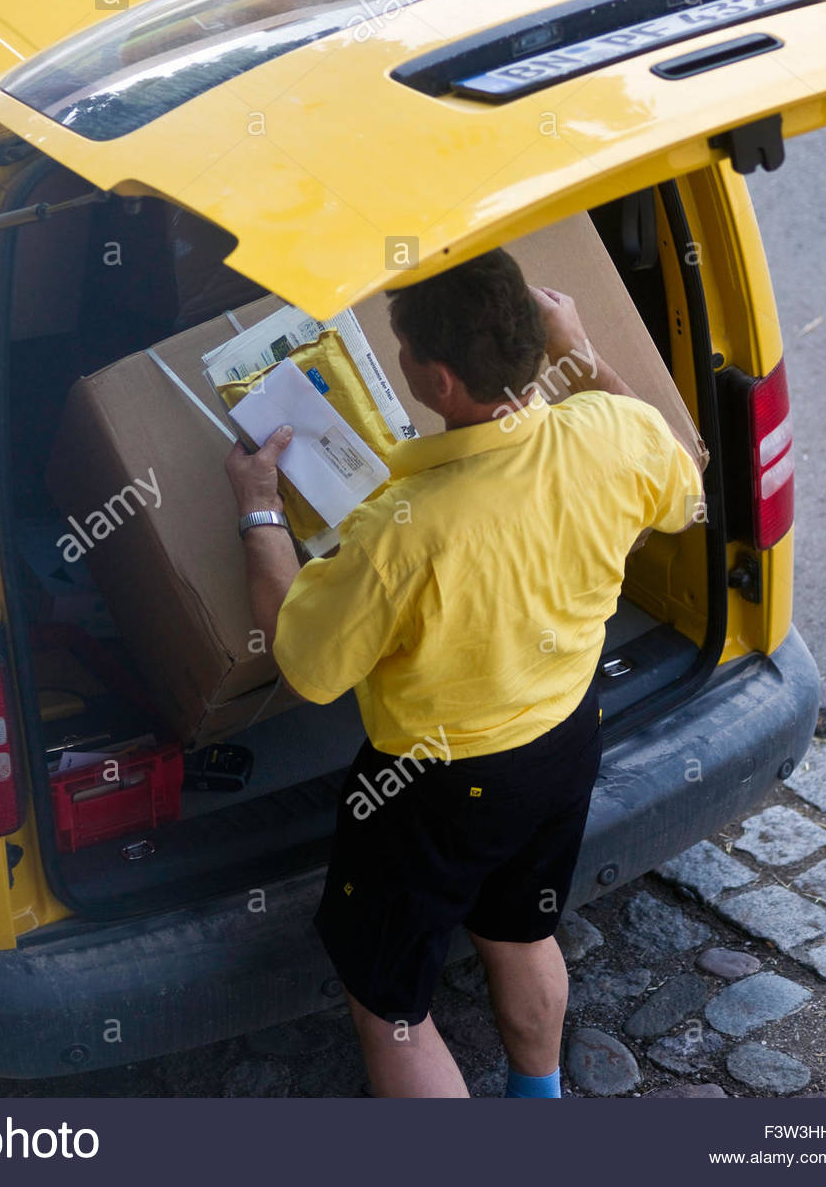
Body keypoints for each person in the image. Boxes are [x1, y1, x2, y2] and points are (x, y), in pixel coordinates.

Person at [223, 248, 704, 1099]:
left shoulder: (402, 530)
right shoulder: (609, 431)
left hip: (436, 789)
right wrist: (583, 354)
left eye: (402, 347)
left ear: (437, 383)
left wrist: (259, 506)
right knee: (521, 931)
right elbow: (683, 479)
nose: (396, 356)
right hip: (563, 741)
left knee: (390, 1005)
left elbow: (305, 666)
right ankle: (537, 1101)